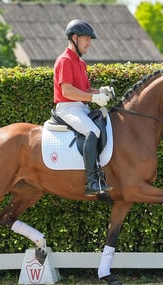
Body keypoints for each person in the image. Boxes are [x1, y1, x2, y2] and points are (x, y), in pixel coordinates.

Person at [53, 19, 113, 197]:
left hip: (81, 107)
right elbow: (68, 91)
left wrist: (101, 91)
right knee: (92, 131)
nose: (89, 43)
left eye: (90, 40)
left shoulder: (80, 63)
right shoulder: (64, 60)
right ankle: (92, 181)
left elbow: (84, 90)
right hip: (67, 108)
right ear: (74, 38)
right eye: (86, 39)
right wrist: (94, 98)